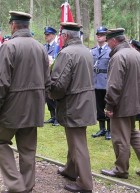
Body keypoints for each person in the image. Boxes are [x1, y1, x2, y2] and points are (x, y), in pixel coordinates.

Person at [0, 11, 50, 193]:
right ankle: (27, 186)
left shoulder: (9, 47)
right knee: (28, 148)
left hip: (11, 107)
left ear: (13, 25)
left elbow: (0, 81)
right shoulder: (40, 47)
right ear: (27, 26)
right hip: (34, 107)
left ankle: (16, 186)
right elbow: (48, 80)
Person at [49, 22, 96, 193]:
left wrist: (50, 92)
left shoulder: (67, 53)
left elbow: (59, 84)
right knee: (74, 140)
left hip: (73, 104)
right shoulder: (86, 51)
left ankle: (85, 183)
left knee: (78, 144)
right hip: (85, 102)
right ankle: (70, 169)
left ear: (66, 36)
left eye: (61, 35)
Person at [101, 28, 140, 179]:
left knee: (120, 138)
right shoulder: (136, 53)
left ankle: (121, 169)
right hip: (134, 103)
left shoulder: (118, 57)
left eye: (108, 41)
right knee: (133, 135)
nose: (107, 44)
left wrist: (109, 106)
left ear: (114, 40)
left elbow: (114, 85)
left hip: (121, 105)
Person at [91, 26, 112, 140]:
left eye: (102, 34)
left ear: (106, 37)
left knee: (108, 106)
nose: (99, 36)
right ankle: (102, 128)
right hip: (95, 82)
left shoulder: (110, 50)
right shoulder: (93, 50)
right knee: (98, 107)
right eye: (98, 34)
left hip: (106, 82)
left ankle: (110, 130)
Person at [43, 26, 59, 126]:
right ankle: (52, 115)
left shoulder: (57, 47)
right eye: (45, 34)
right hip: (46, 75)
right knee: (48, 97)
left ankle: (58, 117)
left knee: (55, 96)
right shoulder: (44, 47)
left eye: (48, 34)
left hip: (55, 74)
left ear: (53, 35)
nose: (46, 36)